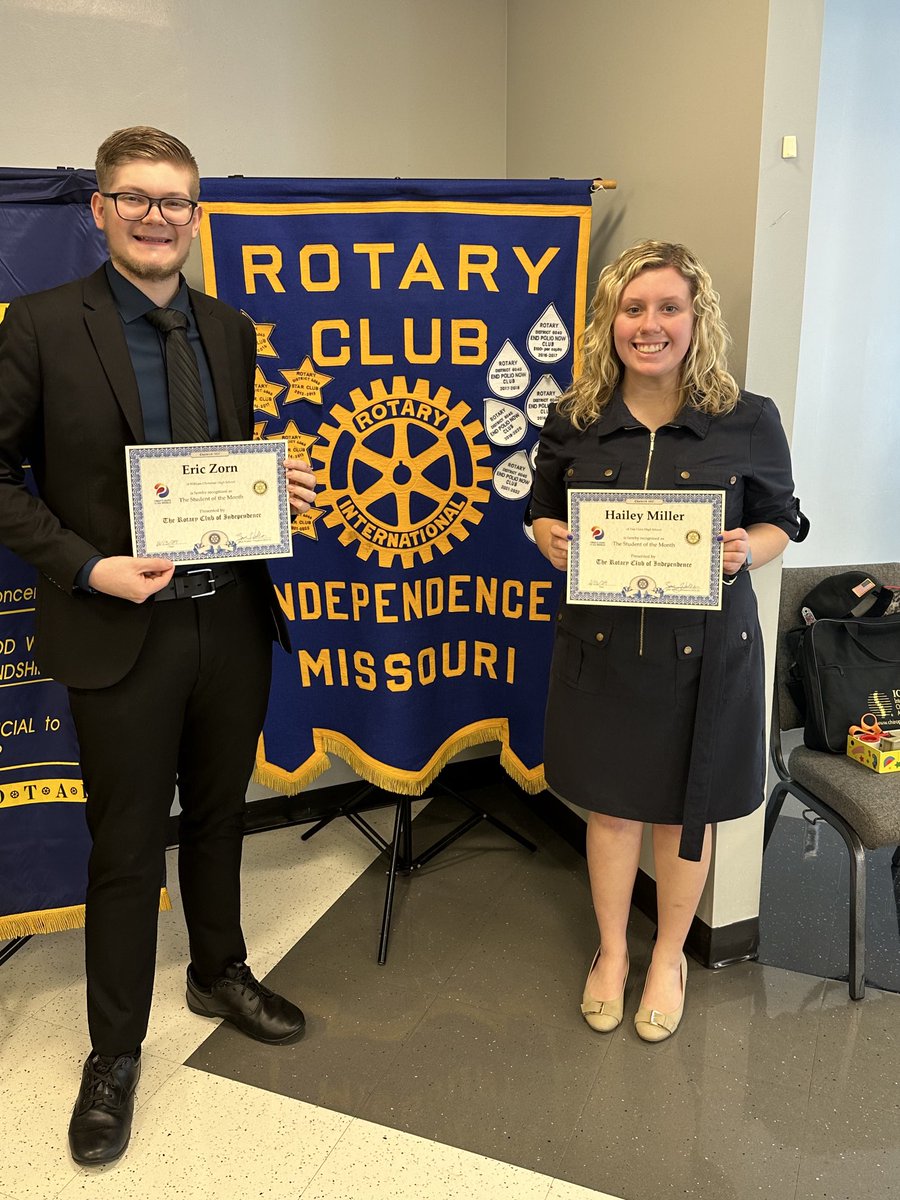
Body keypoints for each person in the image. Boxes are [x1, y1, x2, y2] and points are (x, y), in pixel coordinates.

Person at [0, 127, 318, 1165]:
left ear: (195, 216)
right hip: (116, 626)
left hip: (230, 622)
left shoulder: (228, 328)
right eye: (134, 198)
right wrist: (88, 566)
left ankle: (217, 969)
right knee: (128, 848)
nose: (155, 216)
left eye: (174, 201)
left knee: (224, 814)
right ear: (99, 209)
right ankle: (114, 1052)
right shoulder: (43, 326)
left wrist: (275, 489)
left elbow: (221, 468)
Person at [531, 240, 806, 1043]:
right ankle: (612, 954)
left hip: (708, 653)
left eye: (668, 308)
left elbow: (781, 519)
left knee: (690, 815)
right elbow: (540, 509)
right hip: (602, 647)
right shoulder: (574, 417)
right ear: (610, 321)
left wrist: (743, 549)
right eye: (633, 308)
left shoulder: (747, 418)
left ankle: (670, 958)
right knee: (612, 812)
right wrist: (549, 535)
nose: (649, 325)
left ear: (696, 318)